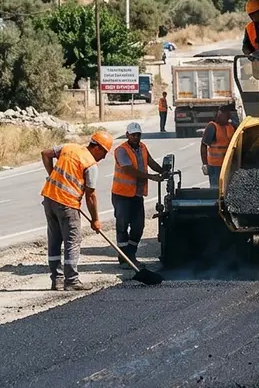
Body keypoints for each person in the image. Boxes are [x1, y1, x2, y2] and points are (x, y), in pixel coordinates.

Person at [40, 130, 113, 290]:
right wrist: (95, 220)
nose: (104, 157)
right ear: (97, 148)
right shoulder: (90, 165)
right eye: (105, 152)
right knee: (72, 242)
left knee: (54, 240)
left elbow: (45, 154)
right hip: (67, 205)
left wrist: (51, 175)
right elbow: (91, 195)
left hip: (49, 199)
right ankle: (71, 281)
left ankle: (57, 280)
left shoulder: (69, 148)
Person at [111, 122, 167, 268]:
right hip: (122, 195)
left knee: (138, 227)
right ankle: (124, 259)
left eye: (138, 135)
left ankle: (130, 254)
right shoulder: (121, 150)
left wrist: (162, 170)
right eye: (133, 135)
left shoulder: (142, 147)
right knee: (122, 227)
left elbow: (150, 161)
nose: (136, 137)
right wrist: (151, 177)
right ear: (127, 134)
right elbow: (129, 170)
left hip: (136, 194)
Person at [201, 104, 238, 188]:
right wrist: (205, 164)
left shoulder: (231, 126)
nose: (227, 117)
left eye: (228, 115)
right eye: (225, 115)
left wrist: (233, 121)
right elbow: (204, 145)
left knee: (228, 189)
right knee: (216, 189)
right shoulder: (212, 127)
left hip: (229, 164)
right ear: (219, 114)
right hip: (215, 166)